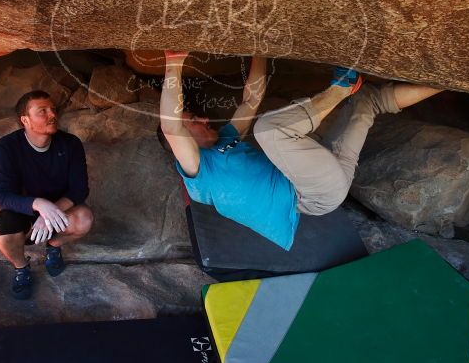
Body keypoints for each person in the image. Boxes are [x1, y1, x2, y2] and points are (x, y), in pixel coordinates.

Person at [158, 51, 441, 250]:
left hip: (323, 178)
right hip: (313, 194)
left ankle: (449, 83)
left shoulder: (225, 140)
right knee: (268, 130)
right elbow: (172, 128)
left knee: (370, 102)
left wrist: (259, 50)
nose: (204, 118)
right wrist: (174, 63)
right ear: (182, 142)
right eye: (193, 120)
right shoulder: (197, 172)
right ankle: (340, 89)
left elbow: (250, 99)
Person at [0, 90, 93, 299]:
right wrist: (38, 204)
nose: (52, 115)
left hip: (60, 209)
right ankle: (21, 268)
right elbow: (2, 195)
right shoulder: (7, 147)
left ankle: (53, 246)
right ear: (25, 120)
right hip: (24, 211)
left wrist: (52, 211)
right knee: (2, 230)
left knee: (84, 218)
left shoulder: (70, 144)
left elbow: (79, 189)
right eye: (43, 111)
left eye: (53, 110)